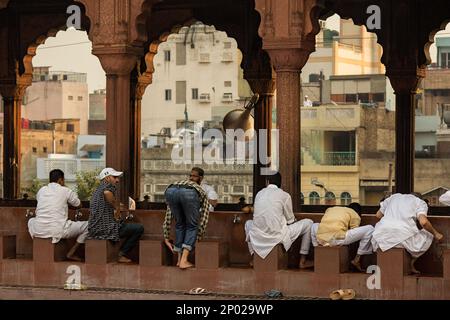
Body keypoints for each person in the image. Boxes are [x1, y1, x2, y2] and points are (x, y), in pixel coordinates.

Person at [245, 173, 314, 269]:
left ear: (267, 182)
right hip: (276, 236)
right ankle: (302, 261)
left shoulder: (259, 194)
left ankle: (253, 258)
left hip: (259, 235)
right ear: (280, 184)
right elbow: (290, 220)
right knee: (309, 223)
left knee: (248, 223)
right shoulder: (284, 195)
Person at [371, 193, 444, 274]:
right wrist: (436, 234)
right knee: (429, 233)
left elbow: (378, 215)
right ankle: (412, 262)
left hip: (378, 240)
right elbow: (424, 222)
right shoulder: (420, 202)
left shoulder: (393, 197)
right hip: (401, 240)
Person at [88, 168, 144, 263]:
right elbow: (110, 198)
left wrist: (117, 206)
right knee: (139, 228)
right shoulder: (107, 188)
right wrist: (118, 207)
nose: (117, 180)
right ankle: (120, 254)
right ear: (107, 178)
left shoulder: (97, 190)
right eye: (115, 177)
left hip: (94, 228)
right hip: (105, 228)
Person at [28, 169, 86, 261]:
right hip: (58, 230)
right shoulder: (66, 190)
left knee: (31, 221)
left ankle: (39, 242)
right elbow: (79, 205)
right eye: (63, 180)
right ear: (60, 180)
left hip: (39, 230)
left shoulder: (41, 190)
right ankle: (72, 252)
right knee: (88, 226)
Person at [163, 167, 210, 269]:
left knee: (179, 224)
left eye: (194, 176)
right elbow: (204, 217)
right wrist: (199, 236)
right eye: (191, 175)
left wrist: (166, 236)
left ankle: (179, 260)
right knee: (192, 226)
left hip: (170, 190)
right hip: (187, 192)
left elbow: (168, 214)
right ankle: (184, 261)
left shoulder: (181, 185)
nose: (192, 178)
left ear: (200, 178)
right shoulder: (199, 189)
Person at [311, 202, 374, 272]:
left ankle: (316, 249)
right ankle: (357, 259)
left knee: (314, 225)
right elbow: (354, 230)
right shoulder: (355, 214)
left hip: (321, 238)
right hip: (337, 238)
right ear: (358, 212)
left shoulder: (331, 209)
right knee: (370, 228)